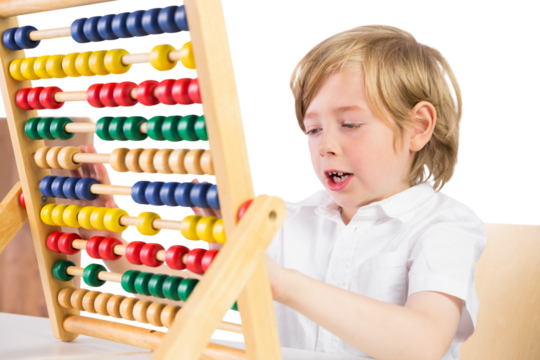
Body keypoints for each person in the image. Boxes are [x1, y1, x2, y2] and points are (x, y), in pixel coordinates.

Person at [79, 21, 486, 360]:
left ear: (417, 127)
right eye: (313, 129)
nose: (326, 144)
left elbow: (423, 343)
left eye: (350, 124)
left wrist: (284, 284)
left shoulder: (445, 225)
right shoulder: (287, 220)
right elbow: (195, 292)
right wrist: (113, 251)